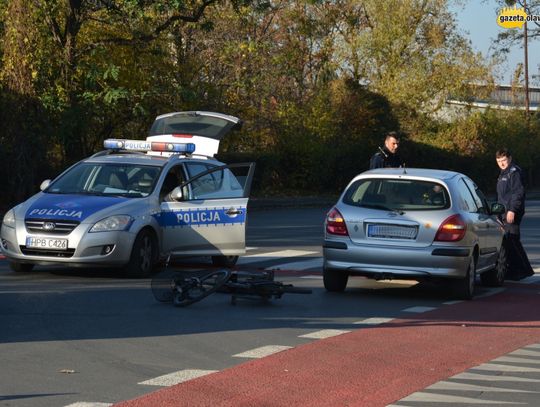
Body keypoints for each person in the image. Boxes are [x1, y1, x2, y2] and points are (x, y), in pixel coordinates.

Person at [495, 148, 533, 280]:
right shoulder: (503, 174)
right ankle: (515, 270)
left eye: (504, 160)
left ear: (510, 159)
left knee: (512, 240)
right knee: (509, 241)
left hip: (512, 212)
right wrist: (498, 214)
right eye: (499, 161)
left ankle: (522, 270)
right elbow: (501, 197)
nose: (502, 163)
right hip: (504, 212)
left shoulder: (514, 172)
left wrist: (512, 210)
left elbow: (518, 193)